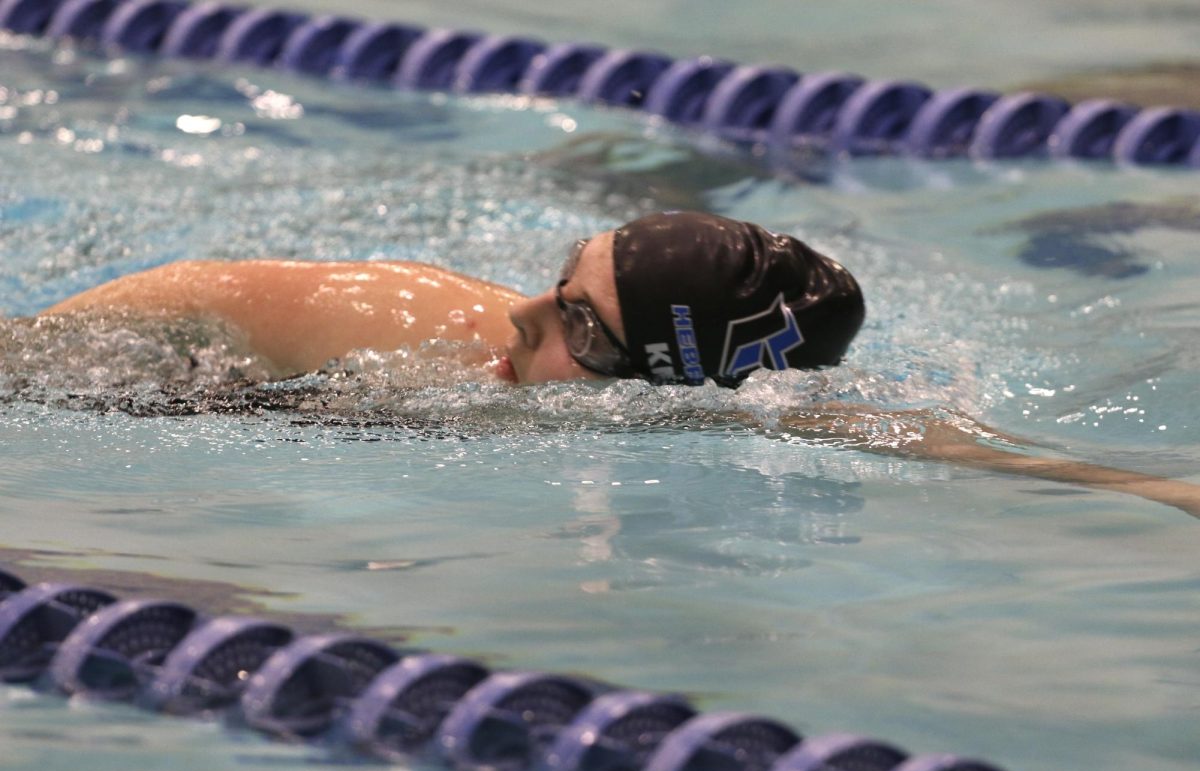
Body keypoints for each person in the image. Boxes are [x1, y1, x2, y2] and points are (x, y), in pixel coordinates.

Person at [38, 211, 1200, 519]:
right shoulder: (389, 321)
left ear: (664, 384)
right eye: (560, 277)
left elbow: (897, 431)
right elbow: (202, 295)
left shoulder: (717, 417)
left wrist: (1146, 486)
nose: (519, 314)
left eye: (580, 326)